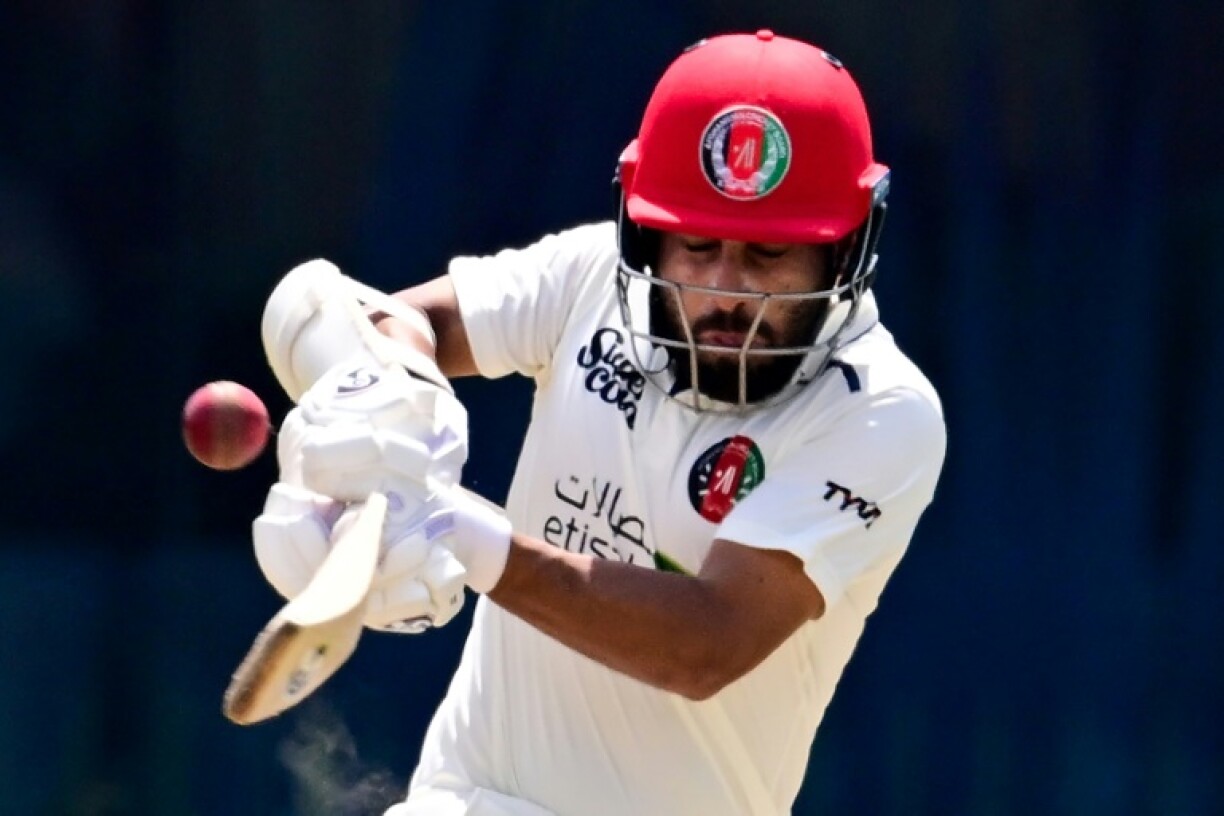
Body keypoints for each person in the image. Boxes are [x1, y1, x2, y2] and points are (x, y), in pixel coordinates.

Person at [252, 30, 946, 816]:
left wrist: (459, 536)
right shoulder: (591, 278)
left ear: (846, 247)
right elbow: (381, 321)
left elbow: (707, 643)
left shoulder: (882, 411)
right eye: (696, 244)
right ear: (648, 232)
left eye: (767, 255)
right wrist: (381, 418)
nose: (725, 292)